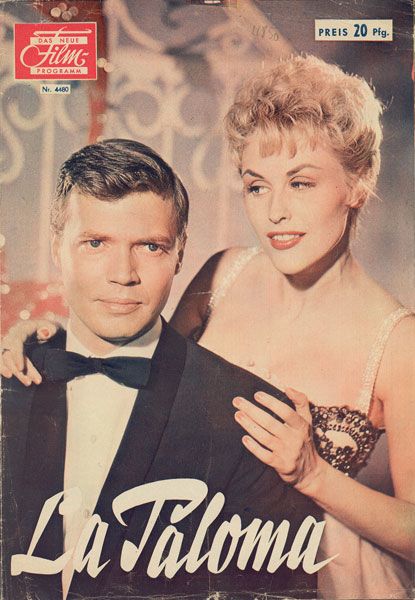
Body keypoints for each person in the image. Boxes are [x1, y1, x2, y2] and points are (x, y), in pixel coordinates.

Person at [2, 55, 414, 599]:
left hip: (325, 569)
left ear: (358, 183)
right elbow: (146, 365)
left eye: (301, 183)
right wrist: (55, 337)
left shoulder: (399, 342)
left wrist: (314, 474)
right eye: (257, 186)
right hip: (185, 551)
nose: (275, 212)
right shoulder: (224, 273)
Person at [1, 139, 322, 600]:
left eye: (150, 247)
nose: (123, 274)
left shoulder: (252, 421)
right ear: (57, 247)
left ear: (179, 253)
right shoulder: (12, 379)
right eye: (96, 243)